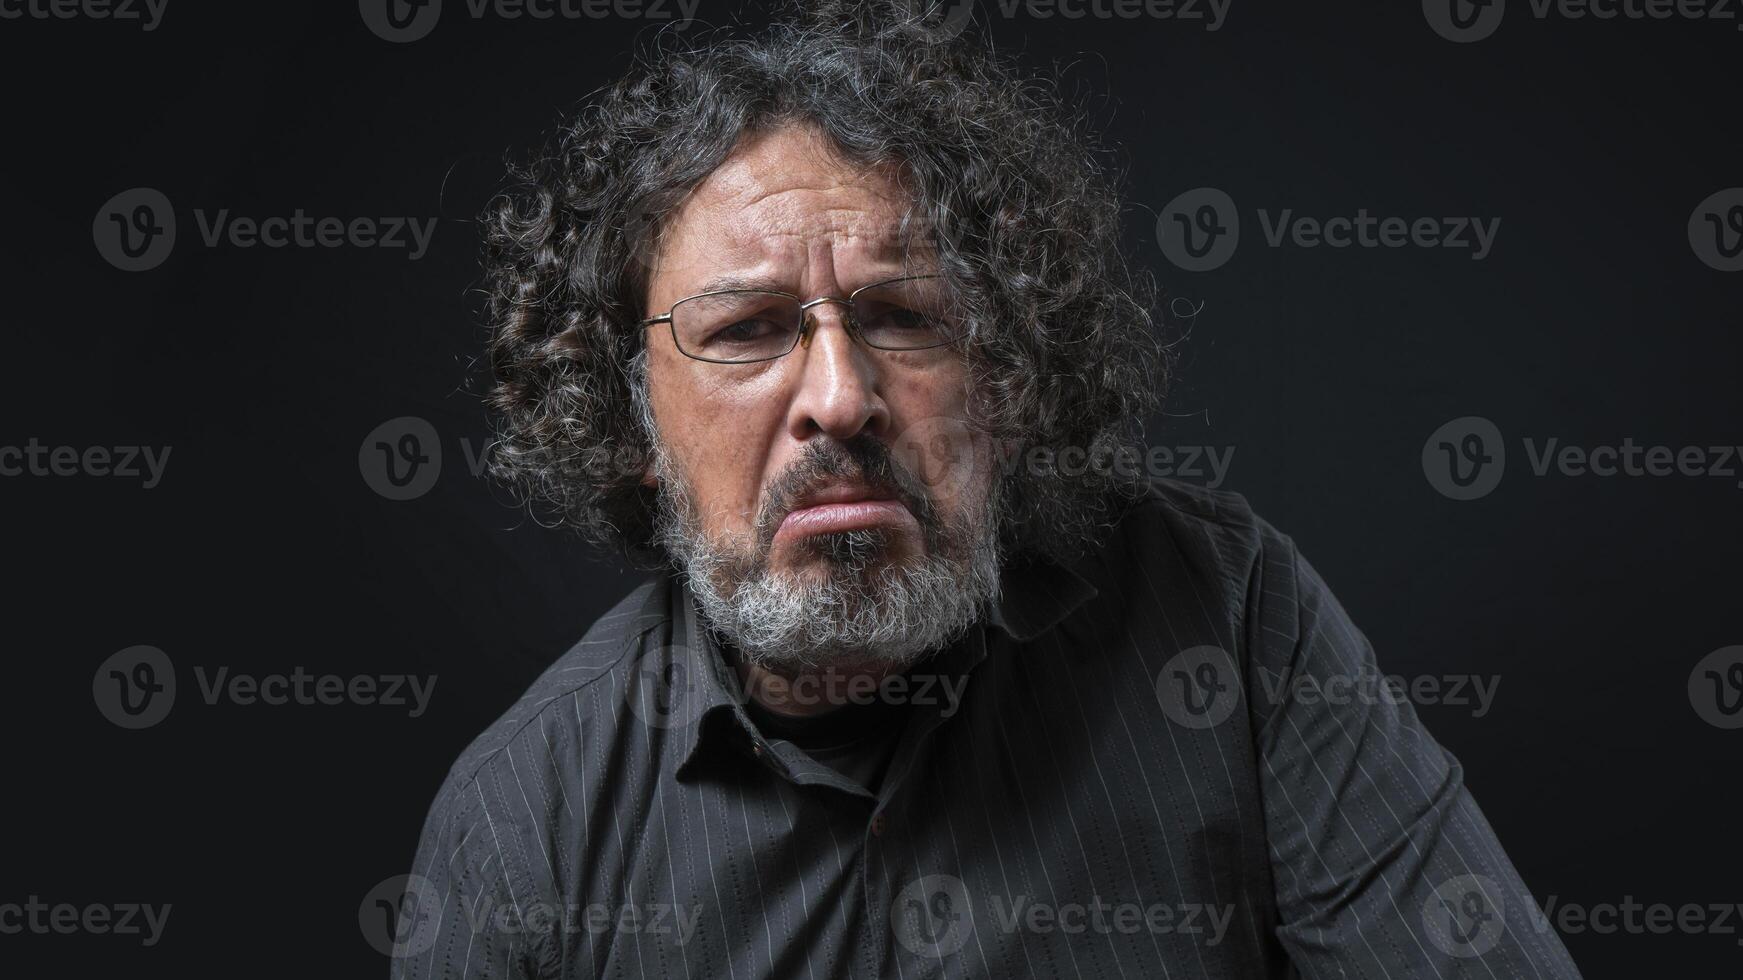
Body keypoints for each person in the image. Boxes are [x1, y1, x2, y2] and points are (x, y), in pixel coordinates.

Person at [397, 3, 1583, 976]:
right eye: (750, 329)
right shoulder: (524, 827)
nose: (841, 395)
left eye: (906, 315)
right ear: (633, 418)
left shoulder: (1225, 615)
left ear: (1009, 375)